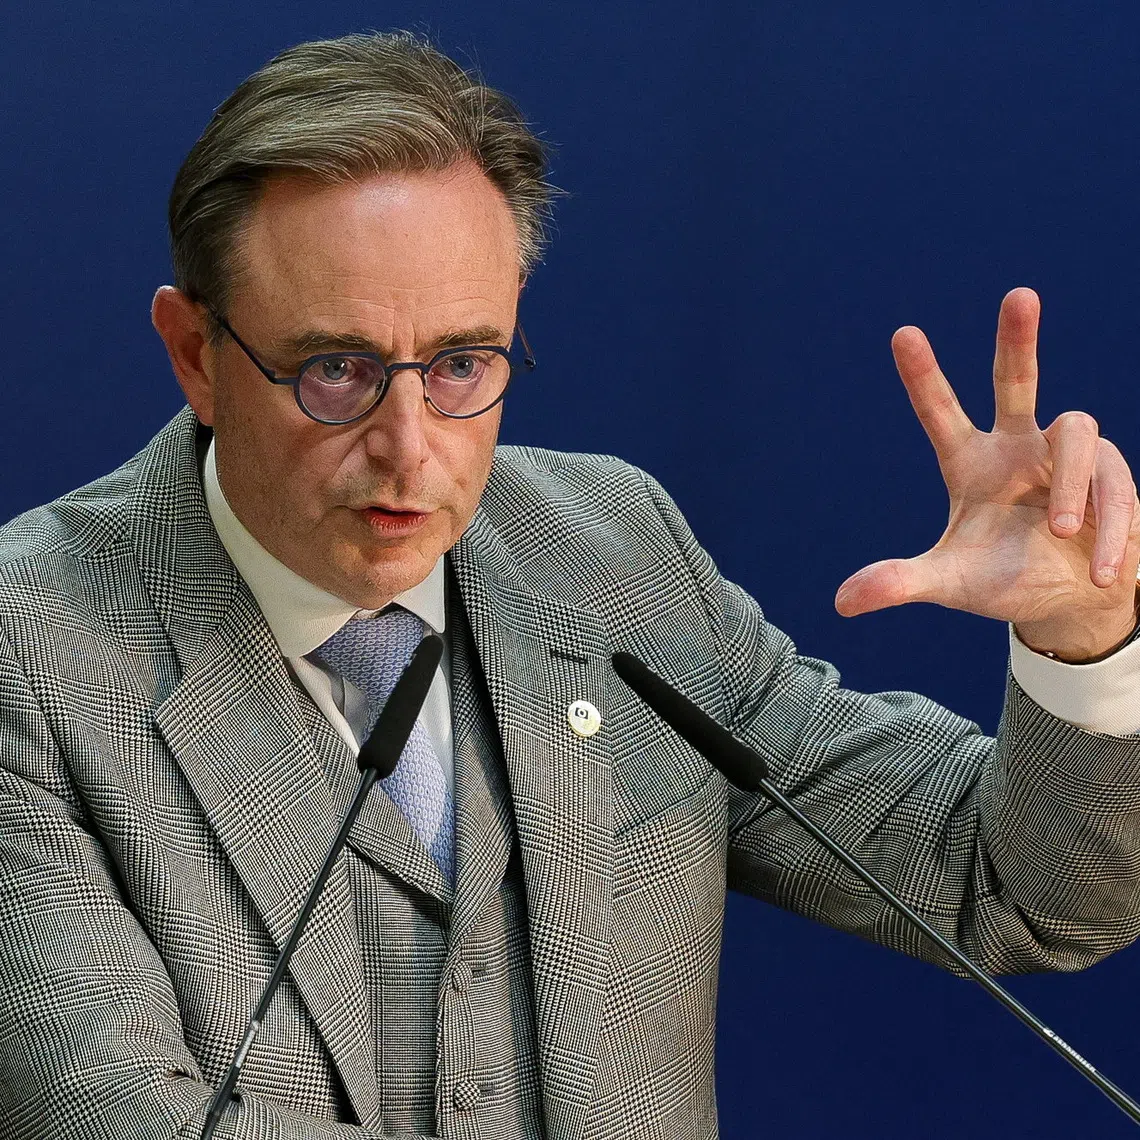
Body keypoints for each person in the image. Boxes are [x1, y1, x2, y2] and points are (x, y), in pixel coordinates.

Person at [2, 29, 1140, 1140]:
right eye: (336, 369)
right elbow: (107, 1111)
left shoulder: (610, 557)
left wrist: (1084, 638)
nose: (410, 448)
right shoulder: (34, 651)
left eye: (462, 365)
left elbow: (1017, 889)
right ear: (195, 354)